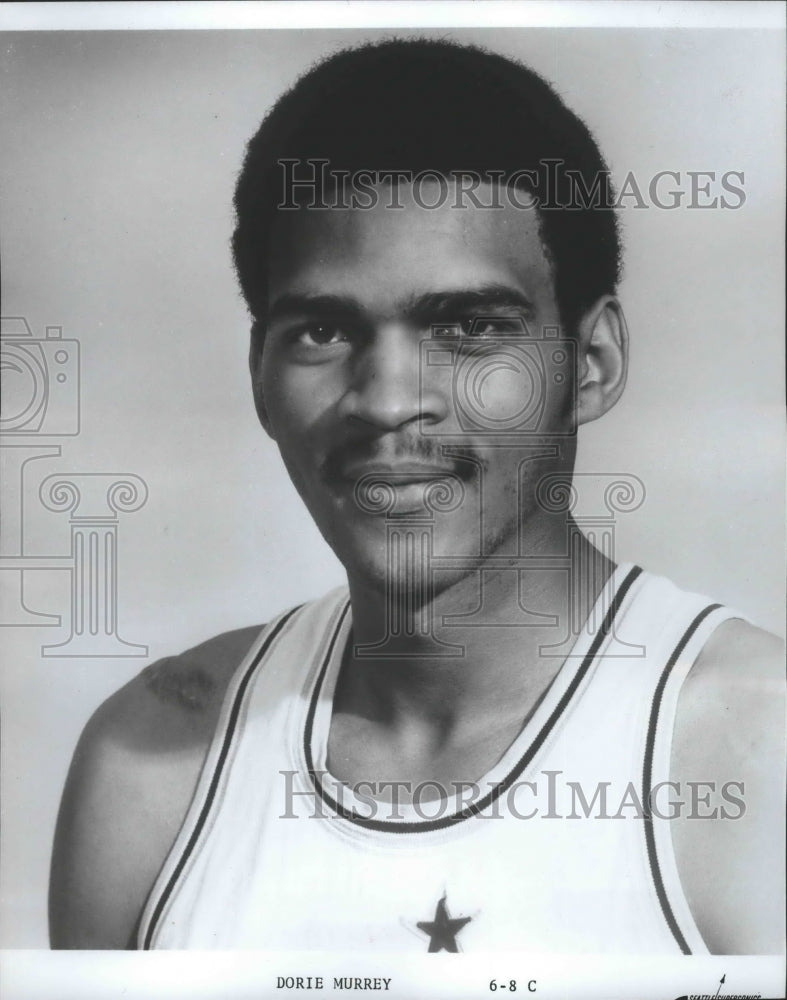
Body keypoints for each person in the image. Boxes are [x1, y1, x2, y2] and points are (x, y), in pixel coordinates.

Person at [49, 38, 784, 954]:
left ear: (589, 365)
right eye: (322, 331)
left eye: (470, 327)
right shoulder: (150, 763)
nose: (389, 401)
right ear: (258, 372)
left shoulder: (756, 749)